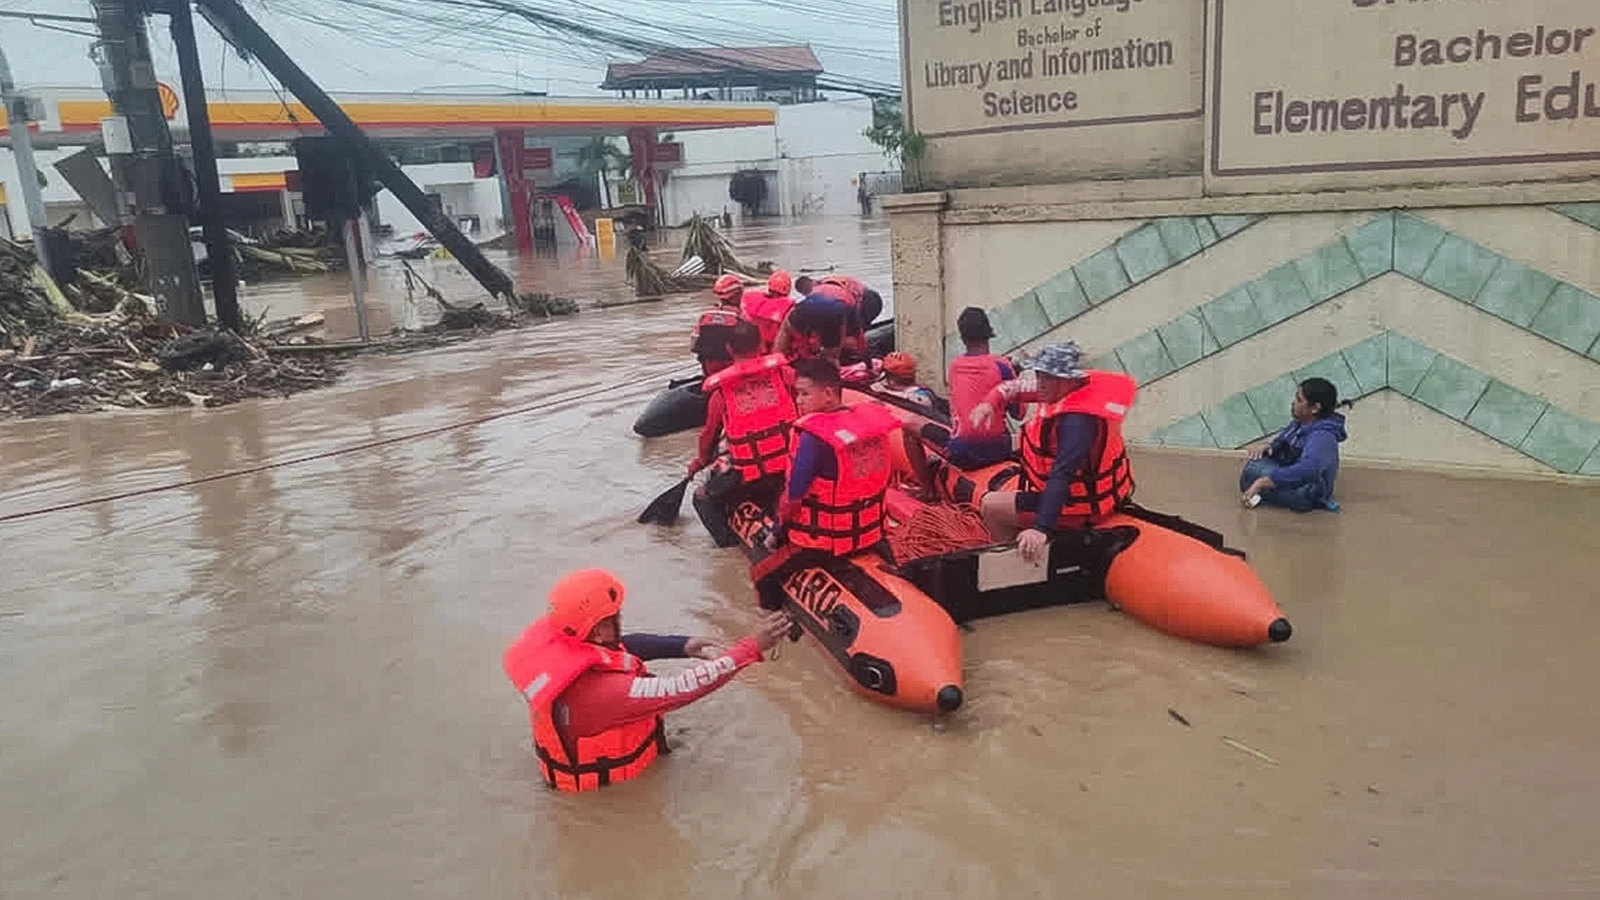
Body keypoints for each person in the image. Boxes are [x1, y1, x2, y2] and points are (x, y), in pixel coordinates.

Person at [503, 568, 792, 792]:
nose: (621, 619)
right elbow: (682, 688)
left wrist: (680, 645)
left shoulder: (571, 644)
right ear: (601, 629)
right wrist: (751, 647)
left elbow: (623, 646)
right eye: (615, 617)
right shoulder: (602, 694)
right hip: (610, 802)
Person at [969, 342, 1136, 564]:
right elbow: (1011, 389)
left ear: (1068, 379)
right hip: (1085, 496)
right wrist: (989, 404)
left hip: (1079, 507)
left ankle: (1015, 567)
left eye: (1046, 377)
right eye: (1038, 375)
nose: (1040, 384)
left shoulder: (1077, 423)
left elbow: (1062, 474)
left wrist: (1041, 528)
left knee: (990, 505)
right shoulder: (1063, 391)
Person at [768, 357, 903, 561]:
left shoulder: (813, 437)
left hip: (825, 544)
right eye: (797, 394)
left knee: (762, 577)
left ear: (829, 394)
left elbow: (794, 498)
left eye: (805, 393)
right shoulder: (871, 427)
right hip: (871, 534)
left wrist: (777, 530)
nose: (798, 400)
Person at [690, 320, 799, 545]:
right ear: (761, 345)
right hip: (789, 467)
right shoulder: (784, 374)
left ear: (729, 349)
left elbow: (708, 435)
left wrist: (700, 462)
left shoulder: (720, 393)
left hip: (750, 475)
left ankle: (729, 546)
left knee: (701, 498)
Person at [1241, 377, 1349, 512]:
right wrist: (1269, 447)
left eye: (1299, 400)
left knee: (1254, 473)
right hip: (1293, 470)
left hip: (1310, 489)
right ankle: (1268, 489)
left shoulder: (1323, 436)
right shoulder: (1302, 421)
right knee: (1254, 466)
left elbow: (1308, 469)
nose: (1293, 403)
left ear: (1315, 408)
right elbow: (1284, 441)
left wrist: (1262, 482)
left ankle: (1269, 491)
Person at [938, 307, 1019, 469]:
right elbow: (1018, 413)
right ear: (988, 334)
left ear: (962, 338)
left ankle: (927, 488)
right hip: (995, 449)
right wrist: (1015, 374)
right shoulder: (1002, 365)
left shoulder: (954, 367)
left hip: (959, 449)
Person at [774, 290, 855, 363]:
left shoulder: (842, 315)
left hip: (816, 311)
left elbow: (837, 343)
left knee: (829, 355)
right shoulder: (843, 314)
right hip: (799, 315)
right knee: (785, 354)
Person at [690, 274, 746, 378]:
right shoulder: (742, 317)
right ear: (738, 294)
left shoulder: (705, 316)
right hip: (734, 371)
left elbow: (693, 346)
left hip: (709, 372)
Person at [742, 270, 796, 354]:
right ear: (787, 288)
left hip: (754, 349)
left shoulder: (751, 298)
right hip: (776, 350)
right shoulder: (788, 306)